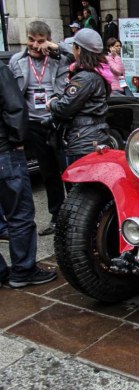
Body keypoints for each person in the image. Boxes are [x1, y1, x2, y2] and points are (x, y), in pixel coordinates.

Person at [9, 21, 74, 236]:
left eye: (40, 41)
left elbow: (75, 57)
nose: (35, 45)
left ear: (47, 40)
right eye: (31, 39)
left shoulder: (58, 59)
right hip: (34, 126)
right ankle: (57, 218)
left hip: (57, 122)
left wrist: (55, 47)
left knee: (68, 172)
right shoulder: (17, 61)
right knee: (48, 175)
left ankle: (74, 218)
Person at [0, 61, 57, 288]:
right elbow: (15, 107)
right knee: (20, 214)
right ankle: (23, 271)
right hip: (4, 153)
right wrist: (17, 141)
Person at [46, 29, 111, 167]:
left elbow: (65, 107)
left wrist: (52, 103)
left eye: (74, 47)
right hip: (95, 138)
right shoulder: (97, 73)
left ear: (79, 50)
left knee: (79, 186)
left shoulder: (84, 78)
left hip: (83, 141)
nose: (72, 51)